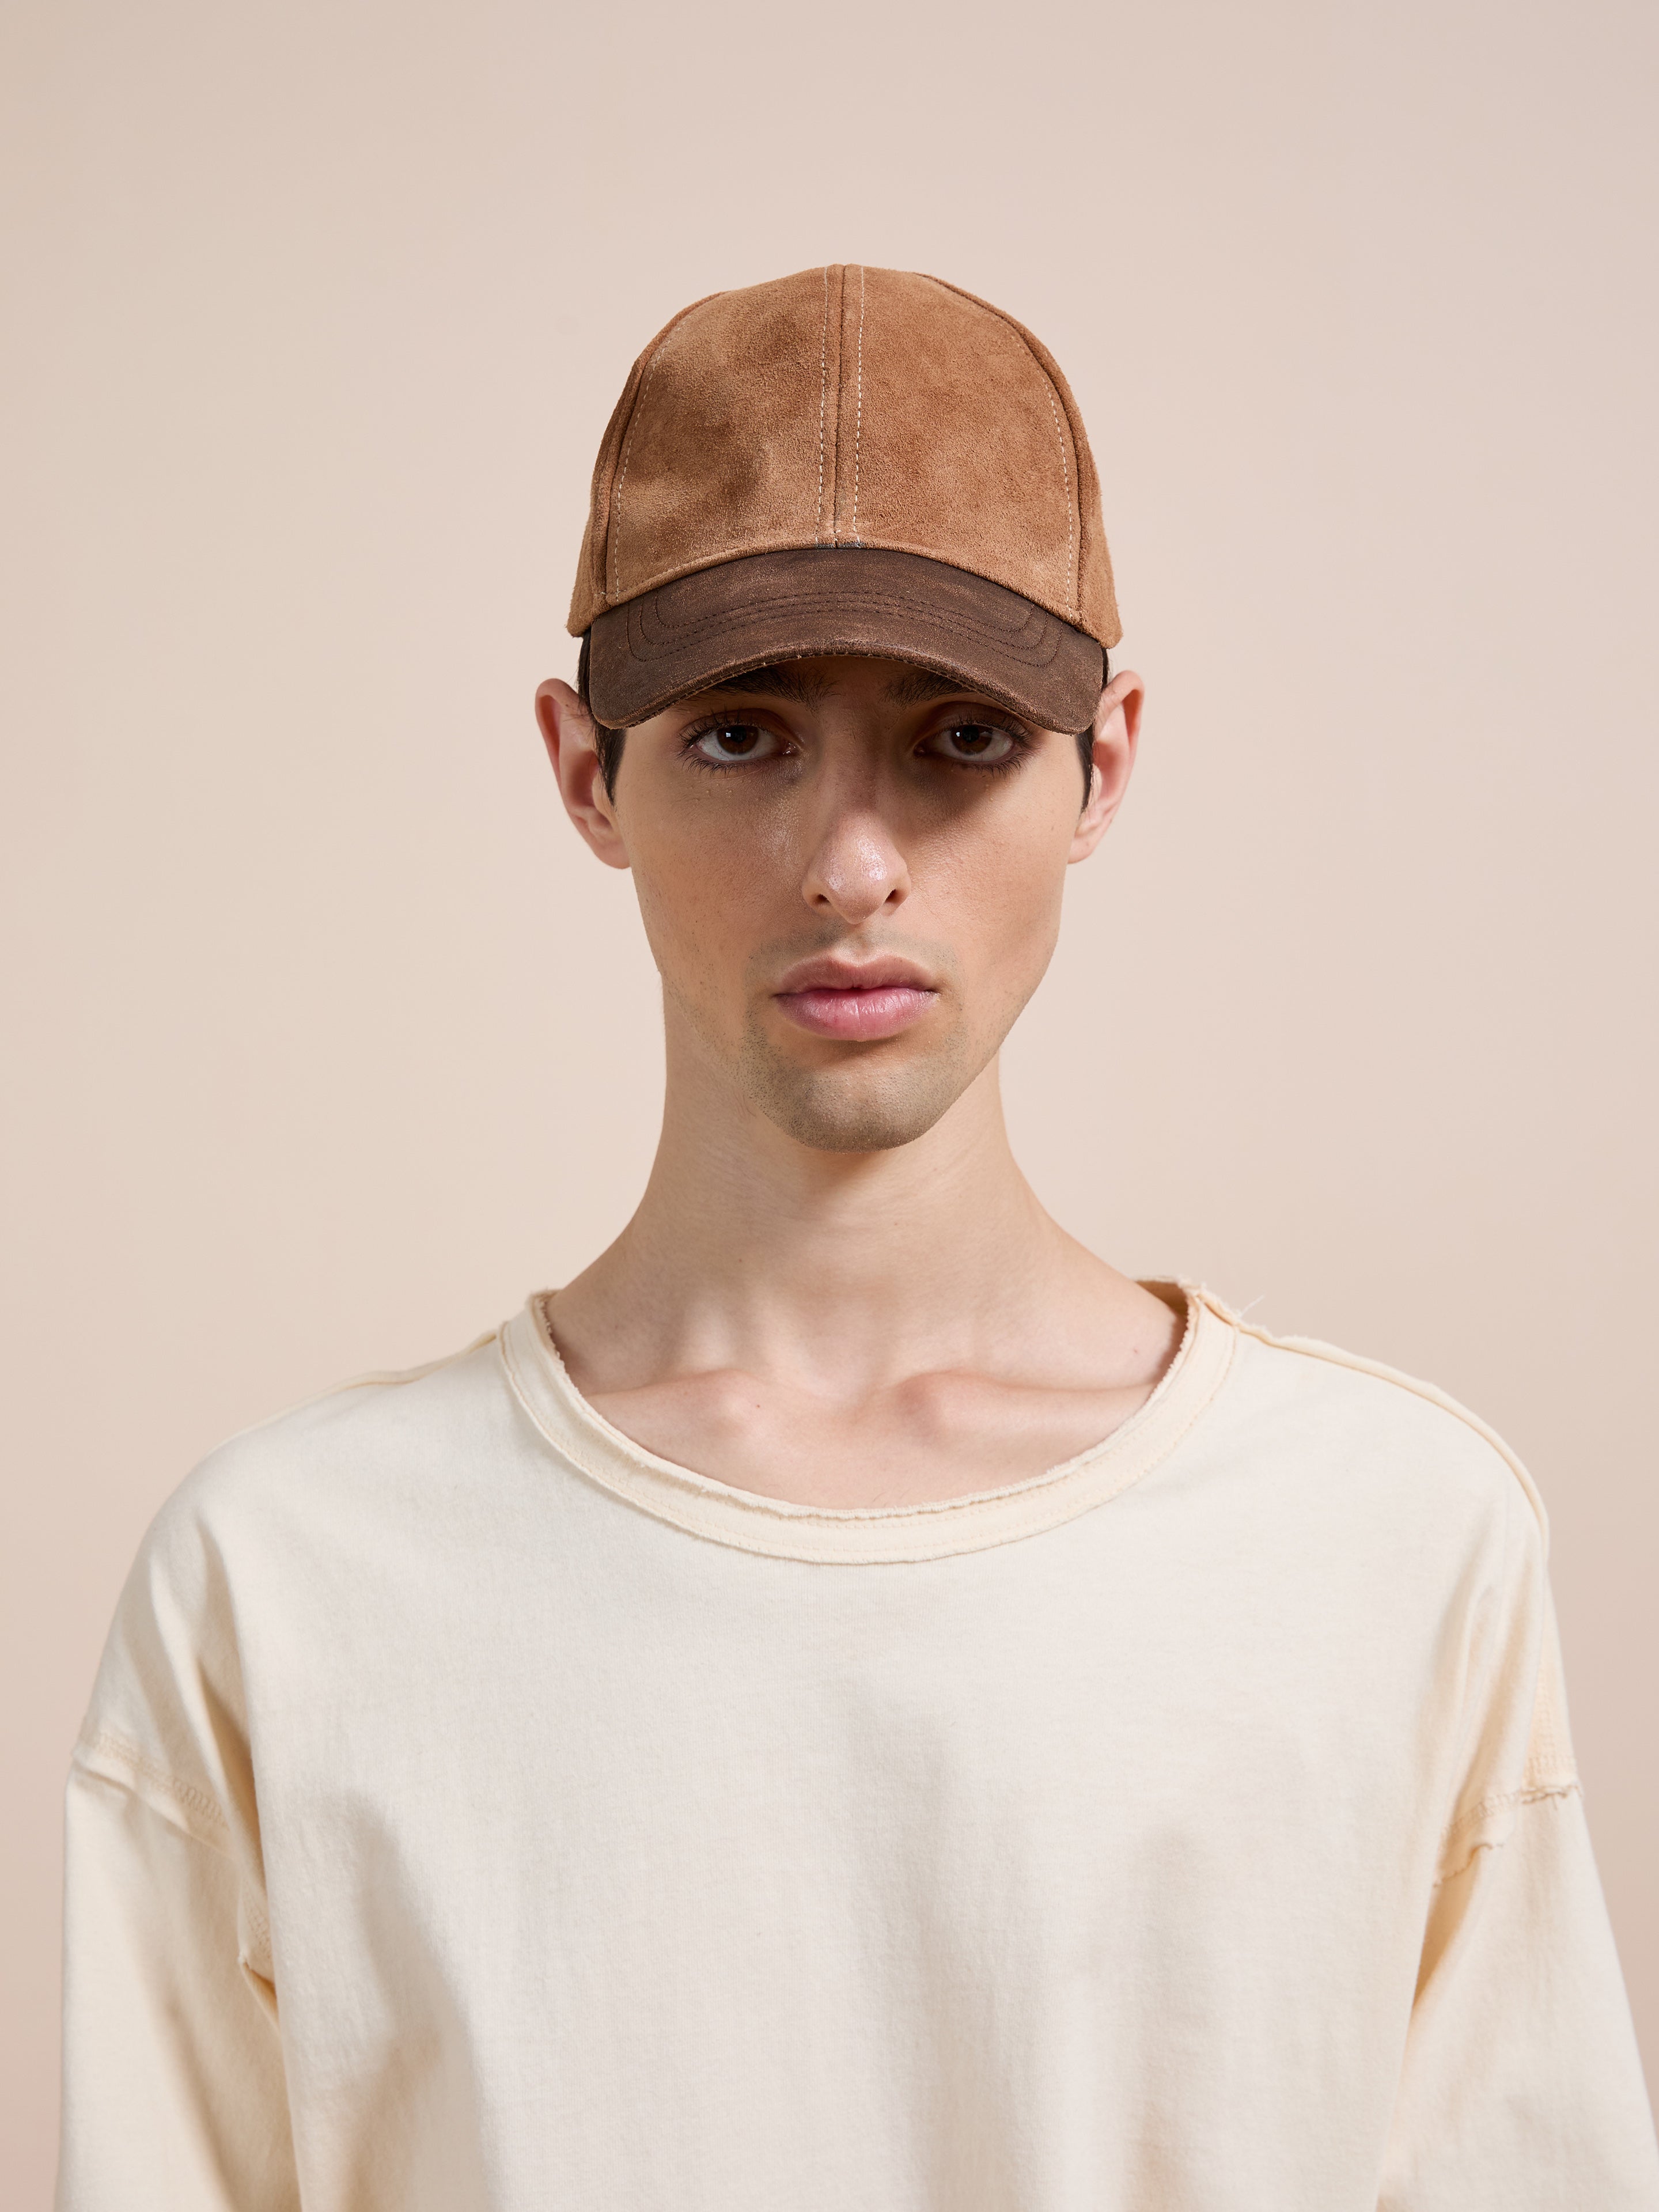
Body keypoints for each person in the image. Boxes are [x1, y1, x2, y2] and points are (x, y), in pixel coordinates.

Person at [57, 264, 1658, 2211]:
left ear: (1110, 763)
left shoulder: (1388, 1537)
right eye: (741, 735)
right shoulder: (290, 1583)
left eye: (961, 736)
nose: (852, 862)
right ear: (587, 772)